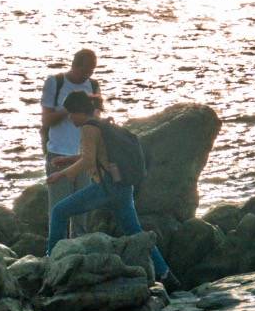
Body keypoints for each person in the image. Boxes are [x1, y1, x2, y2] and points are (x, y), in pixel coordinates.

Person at [45, 91, 176, 287]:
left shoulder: (88, 128)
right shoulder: (101, 123)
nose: (70, 118)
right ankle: (166, 274)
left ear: (80, 111)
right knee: (136, 233)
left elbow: (88, 160)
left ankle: (50, 261)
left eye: (72, 113)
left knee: (59, 211)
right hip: (122, 188)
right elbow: (95, 156)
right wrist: (66, 160)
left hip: (105, 188)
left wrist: (60, 175)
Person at [40, 49, 102, 239]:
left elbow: (96, 120)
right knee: (58, 211)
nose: (88, 75)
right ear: (75, 65)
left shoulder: (93, 85)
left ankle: (79, 251)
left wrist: (89, 112)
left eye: (92, 71)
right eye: (85, 71)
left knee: (82, 213)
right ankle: (56, 253)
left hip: (84, 155)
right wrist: (70, 108)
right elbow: (46, 120)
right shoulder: (55, 82)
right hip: (58, 153)